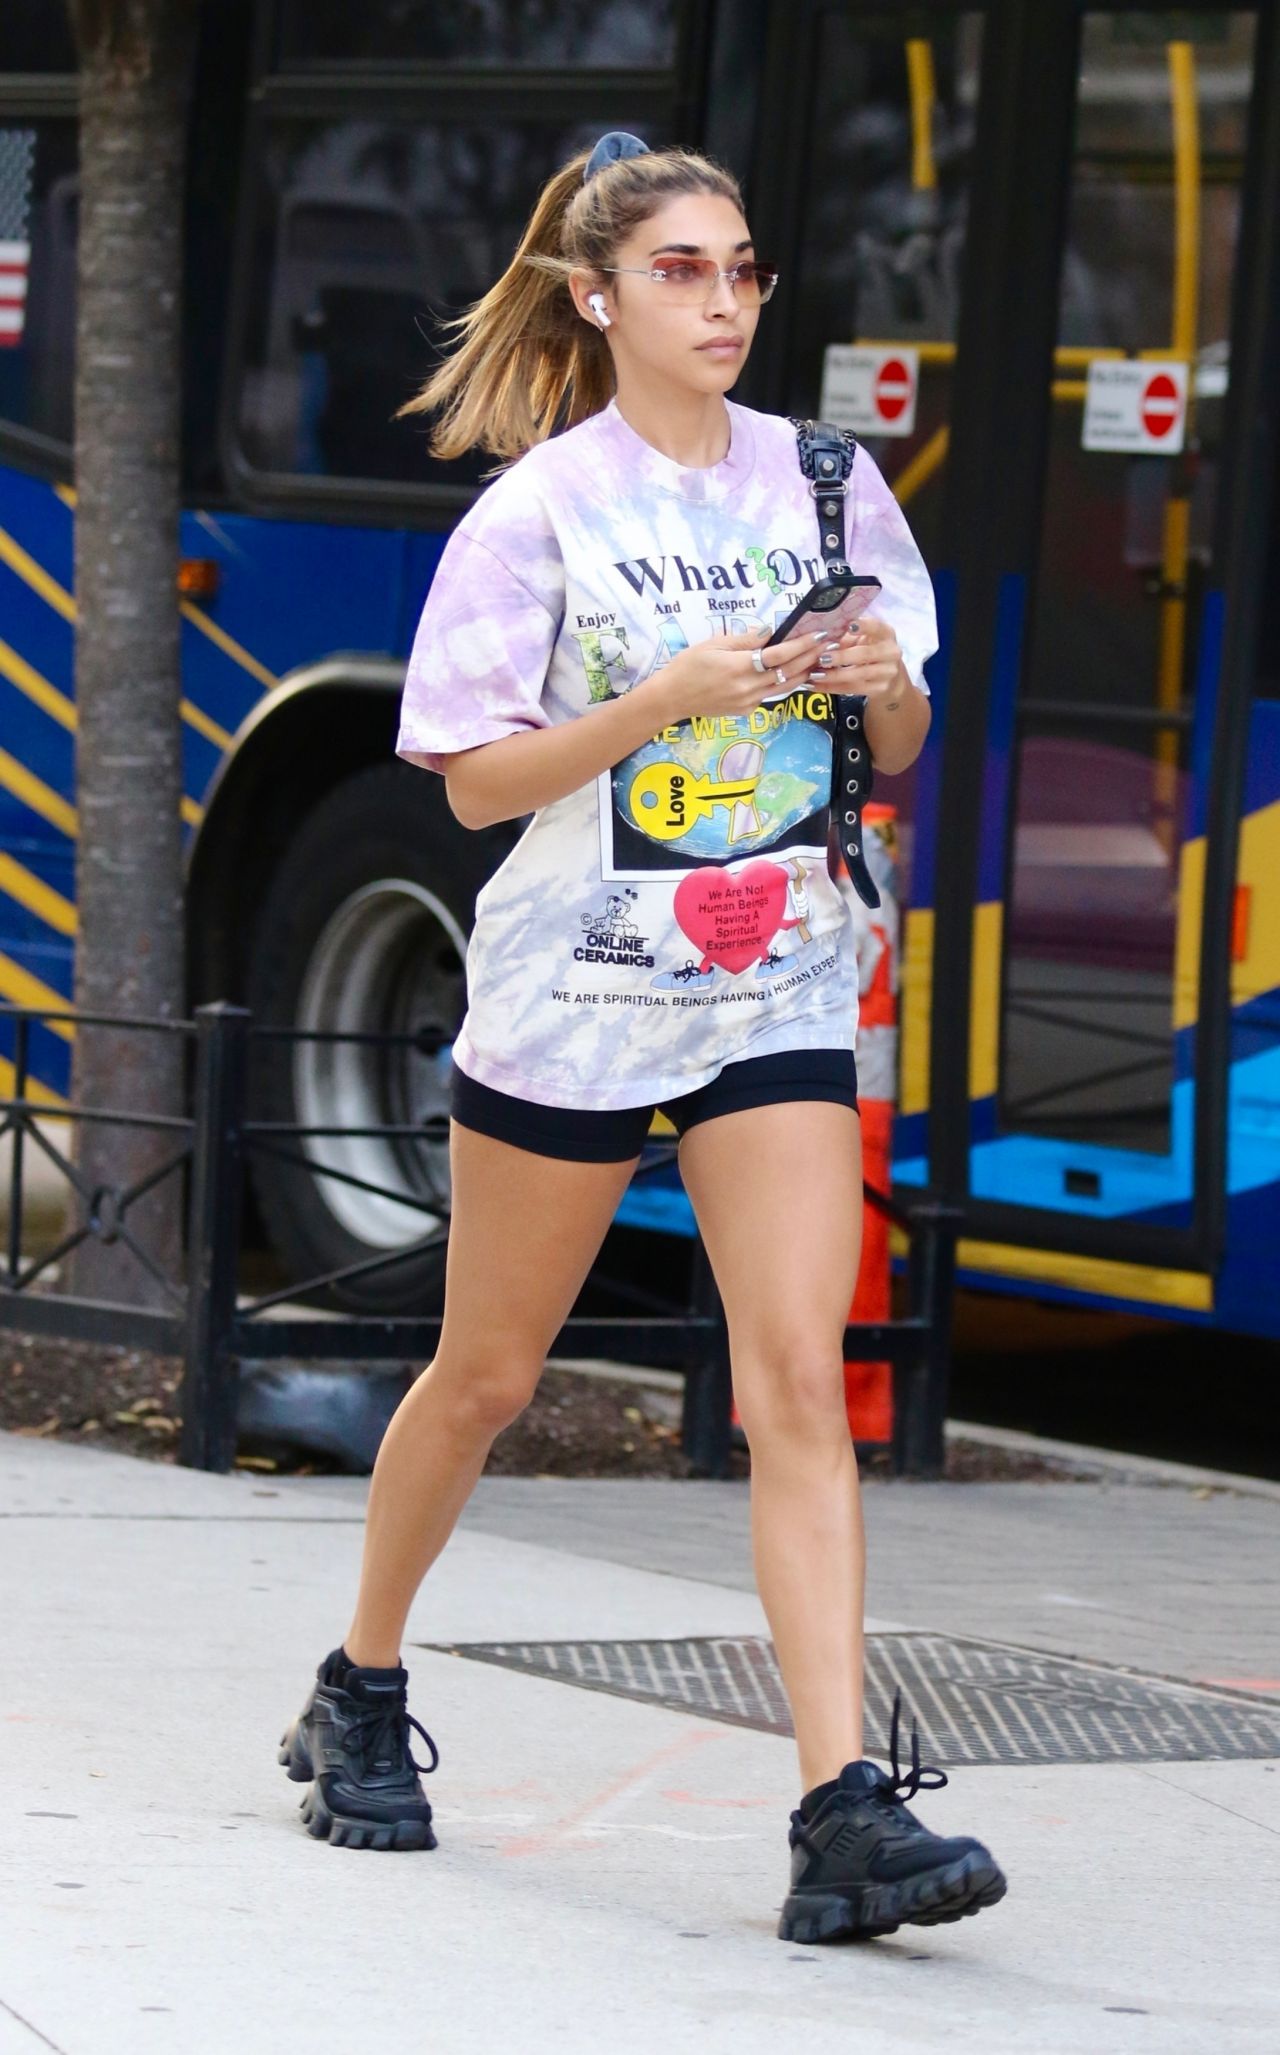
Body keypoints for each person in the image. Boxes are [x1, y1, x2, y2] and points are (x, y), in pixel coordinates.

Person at [277, 130, 1007, 1945]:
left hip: (775, 982)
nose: (727, 300)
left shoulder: (831, 485)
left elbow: (903, 747)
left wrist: (881, 686)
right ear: (598, 296)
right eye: (685, 270)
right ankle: (361, 1682)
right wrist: (660, 702)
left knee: (792, 1392)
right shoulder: (538, 514)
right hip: (584, 983)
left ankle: (842, 1807)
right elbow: (465, 789)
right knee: (490, 1376)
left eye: (745, 268)